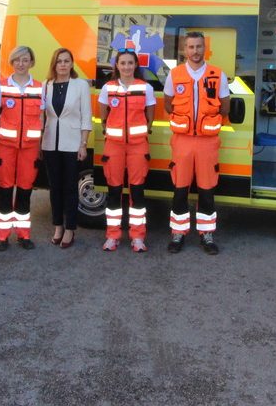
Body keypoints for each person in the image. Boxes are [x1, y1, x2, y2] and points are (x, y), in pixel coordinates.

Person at [164, 31, 229, 255]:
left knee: (207, 191)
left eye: (199, 47)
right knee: (179, 190)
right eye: (191, 47)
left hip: (207, 142)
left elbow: (225, 107)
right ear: (185, 49)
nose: (195, 51)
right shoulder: (174, 74)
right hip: (182, 141)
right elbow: (168, 104)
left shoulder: (217, 75)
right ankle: (178, 234)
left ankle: (207, 235)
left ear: (205, 48)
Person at [98, 50, 155, 253]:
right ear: (117, 65)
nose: (127, 67)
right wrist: (107, 128)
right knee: (114, 191)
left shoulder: (145, 88)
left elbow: (150, 114)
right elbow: (103, 111)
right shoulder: (108, 88)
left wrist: (145, 130)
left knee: (137, 191)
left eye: (130, 63)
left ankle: (137, 237)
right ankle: (112, 236)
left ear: (135, 65)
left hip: (138, 145)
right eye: (123, 63)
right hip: (114, 145)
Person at [0, 45, 43, 251]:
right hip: (6, 148)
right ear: (12, 62)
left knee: (24, 191)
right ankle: (2, 236)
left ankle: (23, 234)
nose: (21, 64)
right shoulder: (1, 86)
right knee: (4, 190)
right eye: (17, 60)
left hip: (29, 149)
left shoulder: (39, 88)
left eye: (25, 59)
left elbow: (43, 116)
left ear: (31, 62)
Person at [40, 47, 91, 249]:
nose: (63, 64)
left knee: (70, 188)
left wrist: (83, 144)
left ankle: (70, 229)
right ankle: (58, 226)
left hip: (72, 144)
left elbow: (86, 116)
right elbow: (41, 116)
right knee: (55, 188)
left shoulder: (80, 86)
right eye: (59, 61)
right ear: (54, 64)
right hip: (50, 142)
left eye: (66, 61)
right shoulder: (46, 85)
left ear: (72, 63)